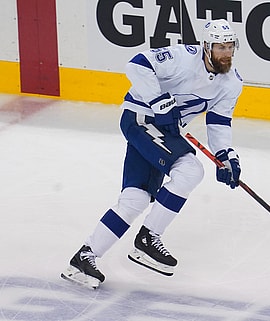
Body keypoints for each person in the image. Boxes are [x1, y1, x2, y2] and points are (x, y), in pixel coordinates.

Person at [61, 19, 243, 289]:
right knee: (190, 170)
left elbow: (218, 123)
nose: (225, 53)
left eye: (230, 47)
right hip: (141, 118)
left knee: (135, 198)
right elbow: (136, 64)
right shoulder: (183, 58)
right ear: (206, 46)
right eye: (220, 47)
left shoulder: (231, 83)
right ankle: (148, 238)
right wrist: (159, 101)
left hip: (163, 132)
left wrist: (225, 156)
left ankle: (84, 259)